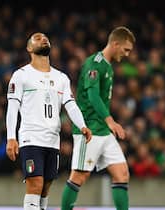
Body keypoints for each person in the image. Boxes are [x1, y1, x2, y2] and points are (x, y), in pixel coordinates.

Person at [5, 32, 92, 210]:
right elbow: (12, 108)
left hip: (53, 140)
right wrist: (11, 137)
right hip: (30, 138)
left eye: (45, 38)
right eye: (37, 38)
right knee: (35, 184)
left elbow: (71, 105)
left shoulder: (61, 78)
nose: (43, 39)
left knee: (45, 188)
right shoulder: (21, 75)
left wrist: (82, 125)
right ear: (29, 48)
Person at [61, 26, 135, 210]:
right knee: (79, 177)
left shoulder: (107, 66)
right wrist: (110, 120)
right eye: (125, 49)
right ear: (115, 44)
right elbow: (93, 96)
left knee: (122, 173)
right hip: (89, 129)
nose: (127, 54)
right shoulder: (95, 63)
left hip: (102, 129)